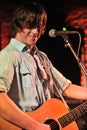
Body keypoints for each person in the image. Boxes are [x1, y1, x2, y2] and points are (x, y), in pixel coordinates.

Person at [0, 1, 87, 130]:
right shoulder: (9, 55)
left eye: (39, 26)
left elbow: (65, 87)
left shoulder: (41, 57)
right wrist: (34, 126)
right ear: (18, 25)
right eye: (30, 26)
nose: (36, 31)